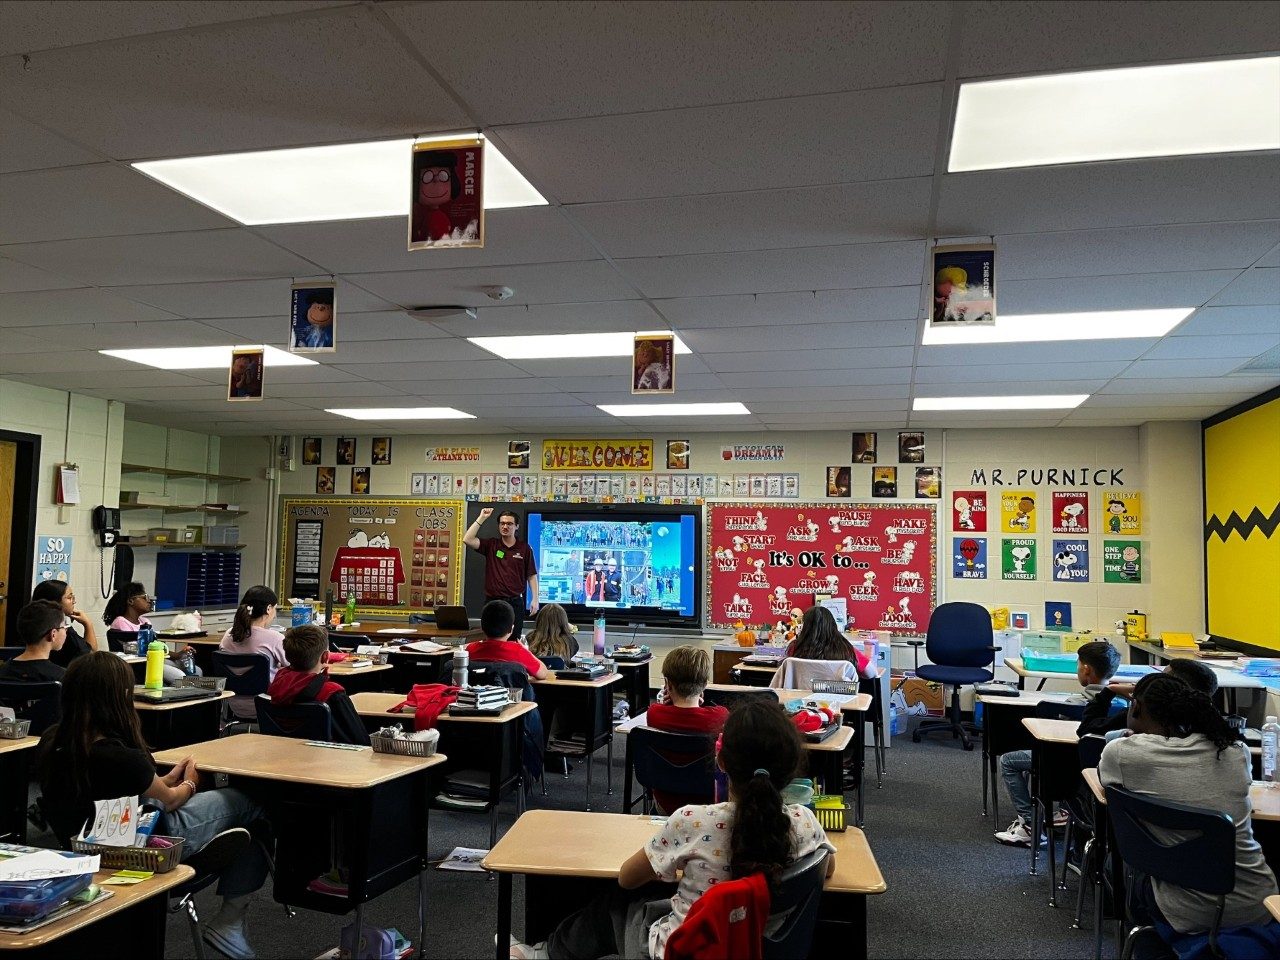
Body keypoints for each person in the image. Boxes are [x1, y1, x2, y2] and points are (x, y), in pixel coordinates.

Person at [509, 699, 835, 960]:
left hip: (684, 949)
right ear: (791, 769)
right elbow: (825, 866)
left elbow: (627, 878)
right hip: (760, 948)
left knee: (612, 907)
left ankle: (544, 954)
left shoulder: (692, 820)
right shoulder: (804, 823)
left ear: (721, 762)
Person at [38, 653, 269, 960]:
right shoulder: (118, 754)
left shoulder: (52, 742)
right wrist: (189, 782)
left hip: (83, 847)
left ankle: (231, 919)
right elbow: (170, 800)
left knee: (248, 826)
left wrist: (167, 779)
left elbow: (148, 788)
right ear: (118, 697)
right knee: (253, 803)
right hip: (146, 847)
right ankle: (230, 919)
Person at [1099, 673, 1280, 945]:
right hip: (1259, 902)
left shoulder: (1122, 754)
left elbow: (1105, 775)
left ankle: (1146, 947)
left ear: (1135, 707)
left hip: (1184, 910)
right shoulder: (1235, 751)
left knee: (1114, 865)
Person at [995, 639, 1120, 847]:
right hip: (1098, 773)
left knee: (1009, 761)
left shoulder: (1074, 705)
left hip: (1062, 768)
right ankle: (1063, 812)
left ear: (1086, 669)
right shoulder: (1123, 707)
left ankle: (1029, 825)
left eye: (1078, 664)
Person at [645, 645, 728, 814]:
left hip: (666, 806)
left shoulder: (654, 713)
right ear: (705, 684)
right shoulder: (720, 716)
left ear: (667, 684)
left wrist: (666, 704)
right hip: (708, 806)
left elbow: (671, 714)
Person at [265, 625, 369, 746]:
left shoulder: (275, 687)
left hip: (280, 756)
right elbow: (360, 740)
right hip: (326, 759)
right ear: (326, 657)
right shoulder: (332, 694)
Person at [1077, 658, 1219, 739]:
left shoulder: (1141, 717)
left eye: (1160, 677)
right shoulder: (1216, 733)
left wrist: (1108, 691)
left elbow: (1087, 731)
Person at [463, 508, 539, 640]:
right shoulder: (491, 545)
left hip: (515, 602)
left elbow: (531, 575)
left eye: (509, 524)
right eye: (502, 523)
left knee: (513, 641)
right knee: (491, 640)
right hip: (493, 602)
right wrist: (482, 518)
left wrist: (535, 599)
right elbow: (467, 539)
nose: (505, 526)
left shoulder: (524, 549)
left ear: (516, 526)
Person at [219, 585, 288, 721]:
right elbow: (299, 665)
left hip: (234, 704)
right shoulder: (275, 638)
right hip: (267, 705)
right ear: (268, 609)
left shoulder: (228, 635)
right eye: (275, 609)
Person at [102, 582, 192, 684]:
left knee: (195, 670)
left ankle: (205, 691)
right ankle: (182, 696)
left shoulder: (145, 621)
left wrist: (178, 655)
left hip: (154, 659)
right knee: (180, 677)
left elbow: (155, 646)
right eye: (145, 597)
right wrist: (175, 655)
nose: (149, 601)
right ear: (131, 601)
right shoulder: (120, 622)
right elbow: (140, 649)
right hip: (141, 665)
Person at [465, 600, 548, 681]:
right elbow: (543, 673)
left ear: (482, 627)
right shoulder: (518, 651)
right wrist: (527, 651)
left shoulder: (470, 650)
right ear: (511, 629)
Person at [785, 606, 872, 674]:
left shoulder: (795, 648)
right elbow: (871, 673)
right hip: (838, 696)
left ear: (805, 627)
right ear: (833, 625)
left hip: (800, 696)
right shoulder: (845, 649)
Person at [31, 581, 96, 667]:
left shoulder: (29, 622)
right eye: (70, 598)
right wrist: (88, 624)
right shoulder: (62, 631)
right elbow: (91, 655)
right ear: (55, 602)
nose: (74, 602)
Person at [0, 600, 67, 684]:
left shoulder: (2, 671)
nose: (66, 631)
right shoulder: (63, 677)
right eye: (64, 627)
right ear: (53, 634)